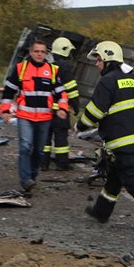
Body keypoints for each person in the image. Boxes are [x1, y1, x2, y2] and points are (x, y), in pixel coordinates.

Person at [77, 40, 134, 231]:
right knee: (115, 178)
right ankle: (101, 212)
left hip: (119, 143)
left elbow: (95, 112)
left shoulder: (107, 82)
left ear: (108, 59)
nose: (96, 63)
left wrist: (79, 125)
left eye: (98, 59)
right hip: (133, 141)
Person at [0, 40, 69, 192]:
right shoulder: (21, 68)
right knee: (25, 147)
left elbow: (62, 93)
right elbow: (8, 91)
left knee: (38, 151)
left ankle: (32, 175)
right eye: (36, 51)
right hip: (25, 117)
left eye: (42, 52)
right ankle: (25, 180)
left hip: (44, 119)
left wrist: (63, 108)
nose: (39, 54)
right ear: (31, 52)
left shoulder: (52, 70)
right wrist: (5, 110)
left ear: (46, 54)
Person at [41, 37, 80, 171]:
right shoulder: (66, 67)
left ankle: (43, 164)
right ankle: (62, 164)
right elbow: (71, 88)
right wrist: (75, 105)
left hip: (44, 110)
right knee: (61, 138)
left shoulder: (45, 64)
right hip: (60, 110)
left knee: (44, 138)